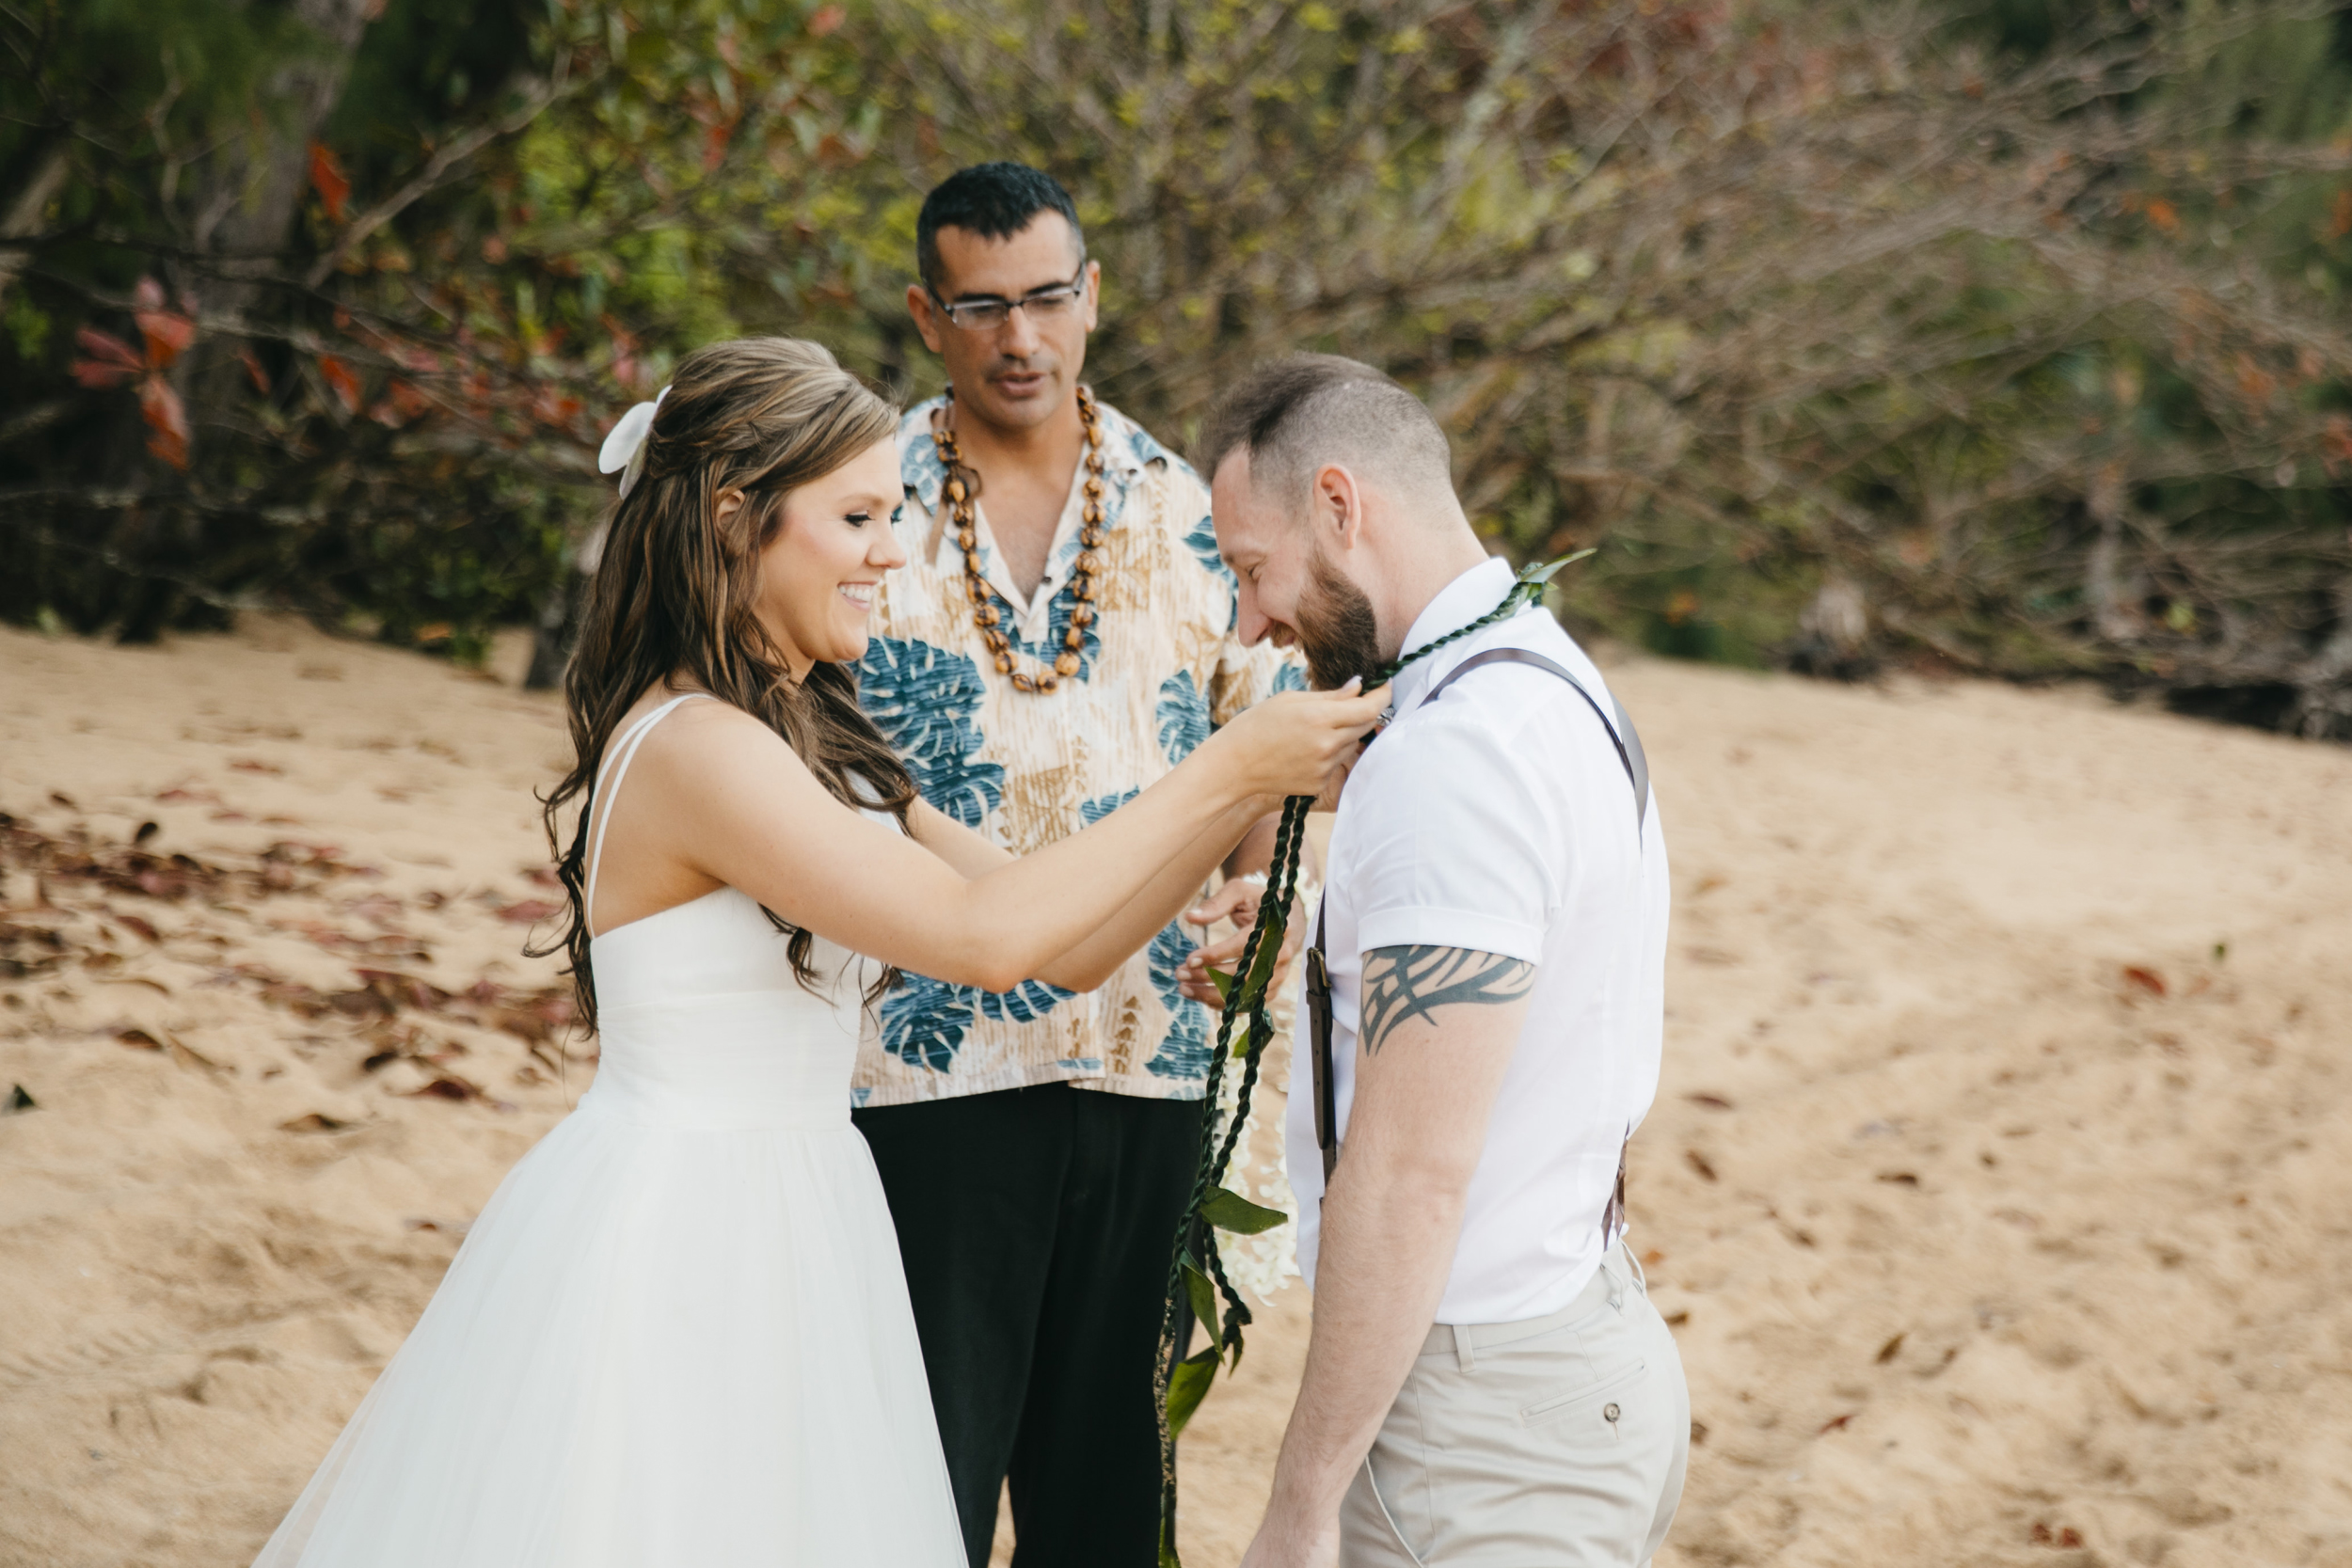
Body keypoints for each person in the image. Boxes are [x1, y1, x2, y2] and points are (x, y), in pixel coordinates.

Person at [246, 337, 1384, 1567]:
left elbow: (1056, 943)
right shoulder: (696, 747)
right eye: (856, 516)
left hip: (799, 1210)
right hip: (683, 1226)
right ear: (738, 520)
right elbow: (981, 945)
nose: (891, 551)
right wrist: (1234, 762)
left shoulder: (809, 737)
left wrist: (1232, 821)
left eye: (891, 513)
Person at [849, 162, 1304, 1566]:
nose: (1020, 338)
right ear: (930, 315)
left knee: (1107, 1499)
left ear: (1092, 295)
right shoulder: (864, 503)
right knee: (914, 1475)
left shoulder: (1188, 507)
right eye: (981, 307)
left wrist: (1261, 899)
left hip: (1149, 1053)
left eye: (1047, 297)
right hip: (924, 1062)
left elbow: (1263, 741)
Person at [1193, 354, 1688, 1568]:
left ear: (1342, 508)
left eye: (1253, 571)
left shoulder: (1454, 756)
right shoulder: (1539, 676)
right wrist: (1319, 941)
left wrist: (1301, 1501)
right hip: (1578, 1338)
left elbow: (1412, 1173)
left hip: (1483, 1431)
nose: (1249, 622)